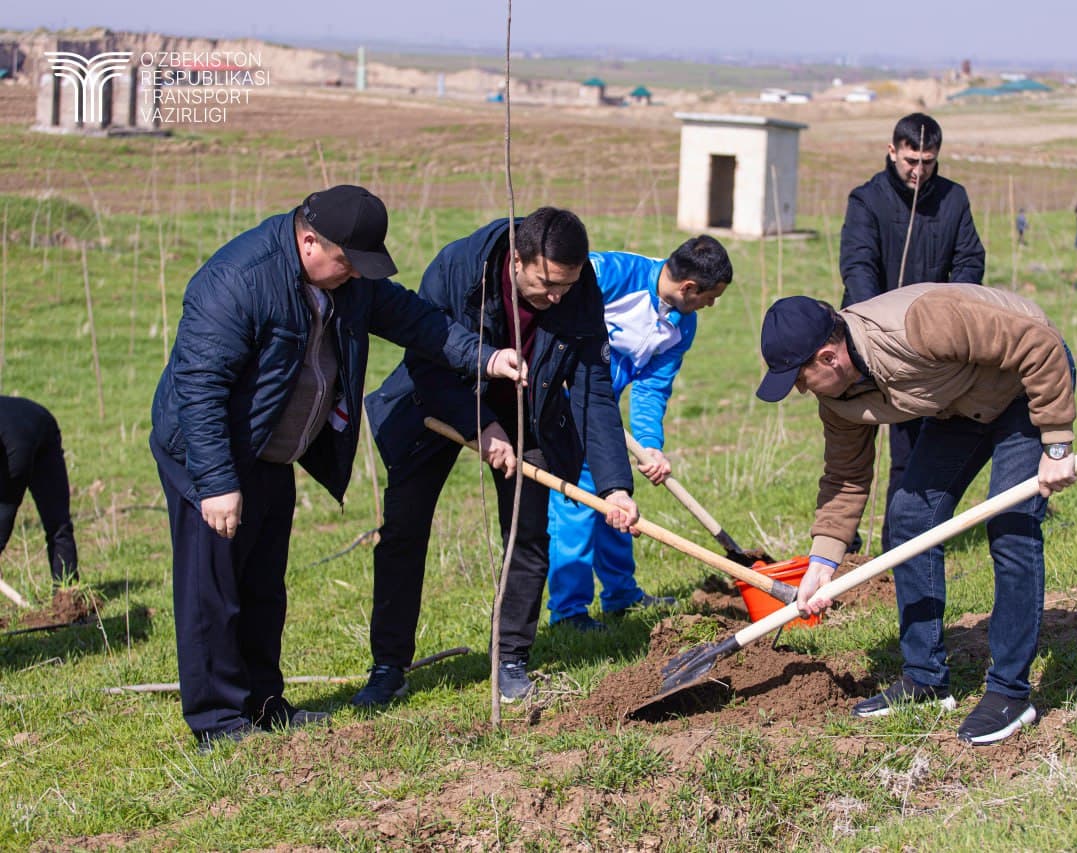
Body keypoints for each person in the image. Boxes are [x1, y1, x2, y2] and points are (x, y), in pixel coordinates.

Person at [151, 185, 523, 751]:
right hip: (210, 455)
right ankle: (219, 723)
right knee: (213, 590)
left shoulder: (348, 282)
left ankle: (263, 703)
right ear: (308, 242)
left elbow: (418, 321)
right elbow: (199, 389)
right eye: (347, 262)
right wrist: (218, 484)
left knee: (261, 586)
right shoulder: (236, 280)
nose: (354, 275)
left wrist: (485, 356)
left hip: (271, 454)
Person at [756, 284, 1077, 745]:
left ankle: (1010, 692)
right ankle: (925, 677)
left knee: (1010, 526)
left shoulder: (918, 324)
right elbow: (846, 478)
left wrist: (1057, 441)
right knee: (908, 518)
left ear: (829, 356)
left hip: (1025, 383)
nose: (802, 391)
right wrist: (822, 563)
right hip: (963, 404)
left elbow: (1037, 345)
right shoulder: (838, 398)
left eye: (801, 378)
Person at [353, 207, 640, 707]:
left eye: (566, 287)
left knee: (526, 533)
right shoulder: (460, 268)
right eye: (546, 282)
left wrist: (614, 484)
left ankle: (510, 658)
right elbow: (428, 354)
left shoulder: (579, 286)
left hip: (528, 410)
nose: (556, 296)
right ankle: (388, 665)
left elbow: (593, 388)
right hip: (436, 402)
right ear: (516, 260)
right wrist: (479, 426)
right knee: (403, 530)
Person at [545, 236, 733, 631]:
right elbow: (549, 301)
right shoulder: (611, 274)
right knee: (578, 497)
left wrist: (649, 446)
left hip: (603, 411)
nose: (710, 306)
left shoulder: (682, 325)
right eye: (710, 297)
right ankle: (569, 611)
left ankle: (620, 594)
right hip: (558, 399)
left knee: (617, 493)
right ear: (689, 287)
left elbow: (651, 387)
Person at [839, 112, 985, 552]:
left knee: (913, 449)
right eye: (910, 161)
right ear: (892, 151)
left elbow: (969, 262)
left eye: (927, 161)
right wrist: (880, 328)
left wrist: (942, 320)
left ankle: (901, 546)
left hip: (930, 346)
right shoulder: (866, 200)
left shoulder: (953, 200)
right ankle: (842, 543)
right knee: (851, 451)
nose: (918, 171)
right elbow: (858, 266)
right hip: (869, 343)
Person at [0, 396, 78, 584]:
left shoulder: (15, 453)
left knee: (57, 523)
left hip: (39, 432)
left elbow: (4, 511)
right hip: (14, 431)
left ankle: (67, 598)